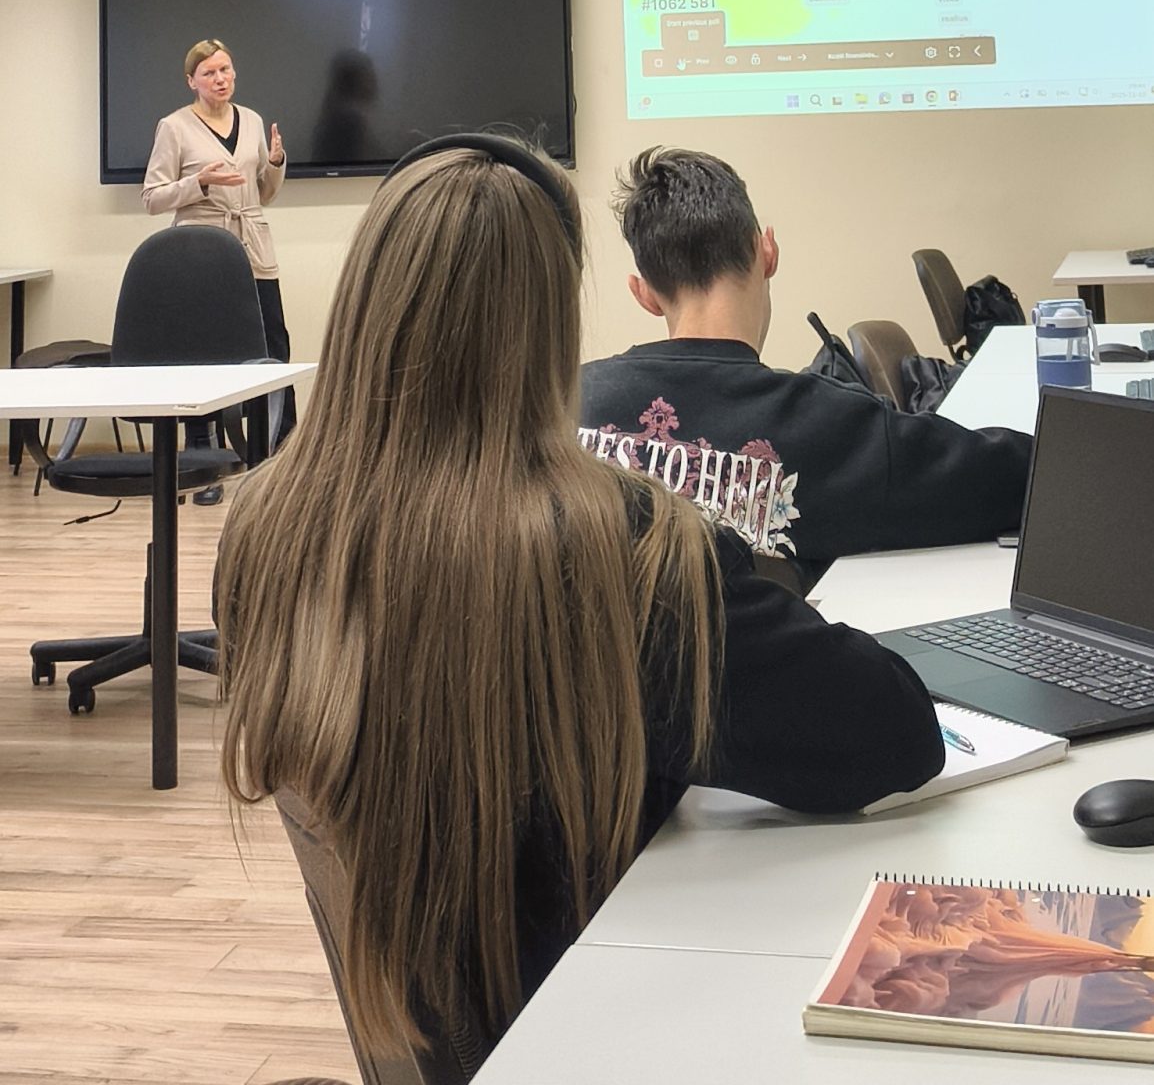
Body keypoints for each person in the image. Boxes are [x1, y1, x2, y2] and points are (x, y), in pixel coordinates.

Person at [216, 137, 943, 1066]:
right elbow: (893, 735)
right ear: (553, 332)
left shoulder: (262, 530)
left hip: (443, 1042)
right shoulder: (620, 549)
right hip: (608, 1035)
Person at [579, 148, 1031, 587]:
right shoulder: (831, 426)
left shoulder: (566, 404)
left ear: (644, 293)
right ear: (767, 252)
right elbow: (1022, 480)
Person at [143, 38, 296, 483]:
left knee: (273, 343)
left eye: (225, 69)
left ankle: (282, 450)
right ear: (191, 81)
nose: (220, 79)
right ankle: (202, 457)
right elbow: (152, 198)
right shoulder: (173, 127)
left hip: (253, 247)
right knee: (204, 352)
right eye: (209, 73)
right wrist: (200, 183)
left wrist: (275, 162)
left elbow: (263, 193)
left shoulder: (252, 120)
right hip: (201, 254)